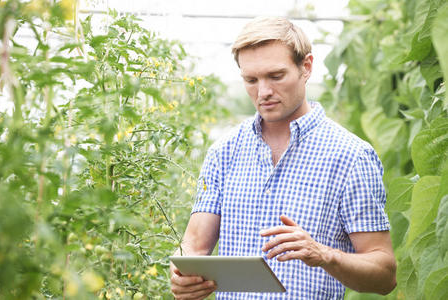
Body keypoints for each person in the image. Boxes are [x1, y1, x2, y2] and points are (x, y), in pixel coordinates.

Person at [170, 16, 397, 300]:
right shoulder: (224, 152)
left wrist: (324, 255)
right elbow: (193, 244)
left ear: (307, 67)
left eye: (276, 76)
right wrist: (182, 275)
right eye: (251, 80)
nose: (263, 92)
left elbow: (385, 274)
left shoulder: (351, 157)